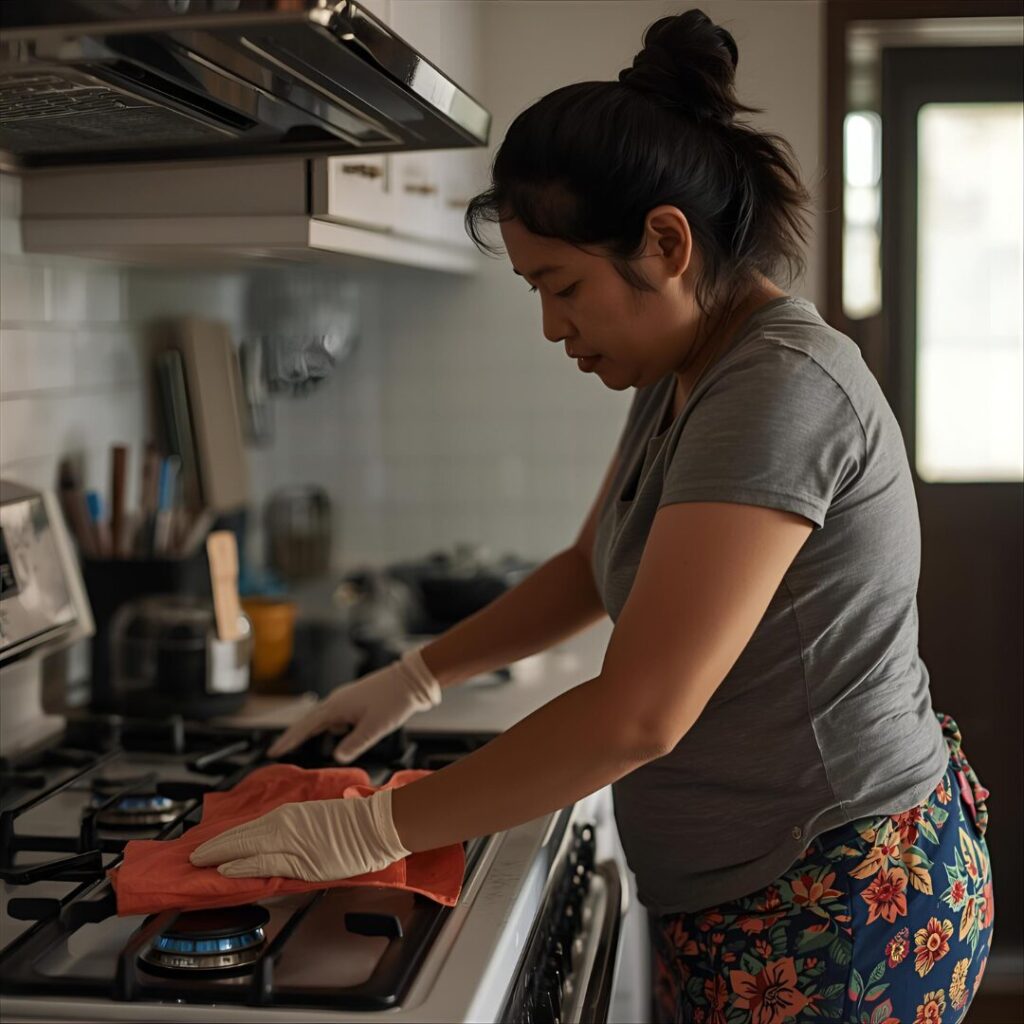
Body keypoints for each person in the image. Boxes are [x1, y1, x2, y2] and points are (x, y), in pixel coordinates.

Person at [191, 10, 994, 1022]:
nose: (549, 325)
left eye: (561, 285)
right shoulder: (685, 373)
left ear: (666, 242)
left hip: (837, 906)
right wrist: (415, 677)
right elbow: (588, 569)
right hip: (753, 896)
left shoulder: (779, 388)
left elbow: (640, 714)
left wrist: (373, 829)